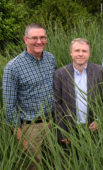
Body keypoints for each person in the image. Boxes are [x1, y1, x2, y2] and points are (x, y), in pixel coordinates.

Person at [2, 23, 56, 169]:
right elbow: (9, 105)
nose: (39, 41)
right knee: (34, 165)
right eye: (34, 38)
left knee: (55, 162)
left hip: (53, 122)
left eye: (42, 37)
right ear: (26, 40)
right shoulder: (13, 67)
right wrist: (21, 138)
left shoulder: (50, 59)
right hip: (31, 128)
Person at [53, 38, 103, 145]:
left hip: (93, 127)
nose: (80, 54)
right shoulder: (60, 74)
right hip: (70, 128)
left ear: (89, 53)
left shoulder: (100, 71)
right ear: (71, 53)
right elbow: (57, 105)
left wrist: (100, 120)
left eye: (84, 51)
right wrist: (62, 131)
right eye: (77, 50)